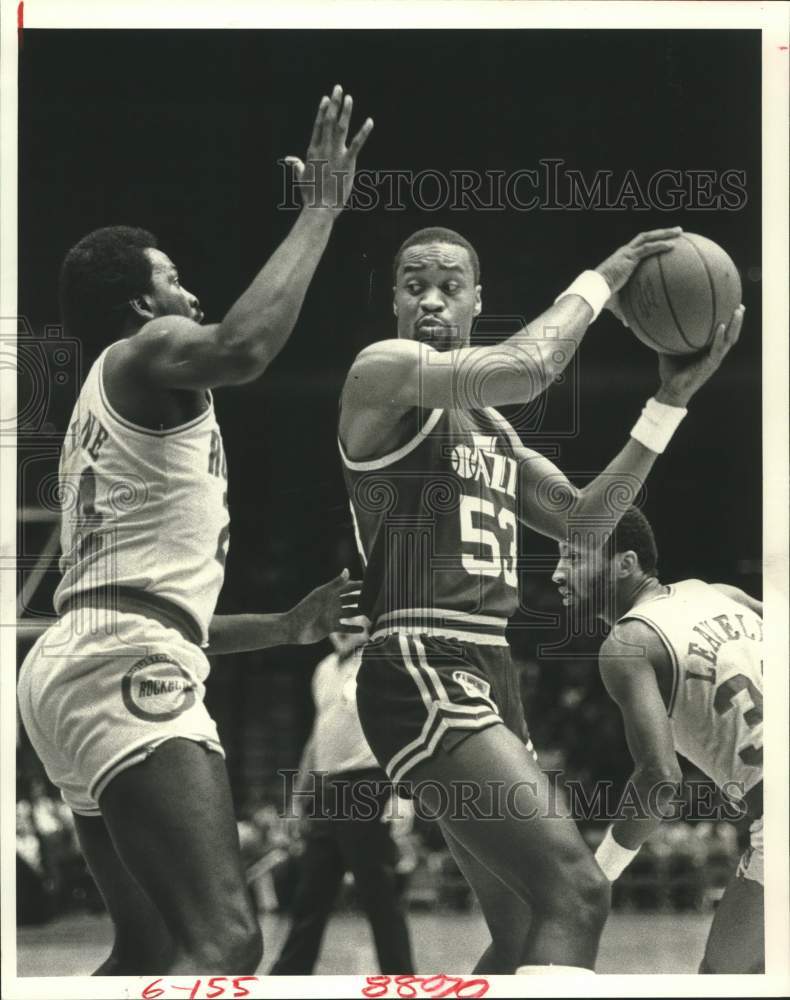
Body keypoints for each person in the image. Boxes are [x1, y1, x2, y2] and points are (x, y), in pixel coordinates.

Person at [17, 85, 372, 975]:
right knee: (229, 940)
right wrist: (322, 211)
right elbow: (248, 348)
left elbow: (152, 606)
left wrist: (288, 628)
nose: (192, 291)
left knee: (152, 945)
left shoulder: (102, 413)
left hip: (79, 656)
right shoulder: (140, 356)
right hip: (121, 663)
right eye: (172, 280)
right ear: (140, 307)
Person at [337, 224, 743, 975]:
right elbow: (528, 367)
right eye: (413, 283)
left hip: (492, 673)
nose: (430, 298)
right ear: (392, 297)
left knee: (528, 930)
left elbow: (590, 523)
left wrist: (667, 400)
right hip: (423, 661)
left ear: (476, 301)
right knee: (579, 891)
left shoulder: (494, 431)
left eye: (449, 286)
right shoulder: (383, 373)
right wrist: (604, 278)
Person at [552, 505, 763, 974]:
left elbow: (660, 778)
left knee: (724, 979)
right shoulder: (719, 594)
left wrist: (599, 872)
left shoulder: (628, 643)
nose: (556, 573)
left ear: (626, 564)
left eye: (573, 558)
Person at [270, 626, 415, 975]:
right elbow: (317, 739)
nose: (342, 628)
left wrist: (402, 794)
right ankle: (286, 979)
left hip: (369, 784)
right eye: (337, 620)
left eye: (352, 619)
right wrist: (297, 801)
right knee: (311, 893)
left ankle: (401, 979)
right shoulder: (323, 669)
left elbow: (403, 726)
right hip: (327, 788)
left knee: (378, 892)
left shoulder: (381, 660)